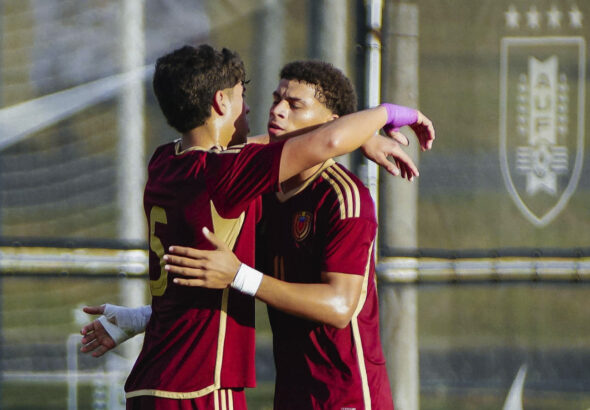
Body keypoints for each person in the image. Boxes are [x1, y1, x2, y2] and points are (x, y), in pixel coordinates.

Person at [81, 44, 432, 410]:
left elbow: (339, 307)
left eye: (294, 105)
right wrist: (383, 116)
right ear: (220, 102)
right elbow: (315, 143)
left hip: (341, 397)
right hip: (205, 388)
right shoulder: (246, 188)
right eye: (266, 98)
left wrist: (143, 317)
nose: (271, 109)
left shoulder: (167, 160)